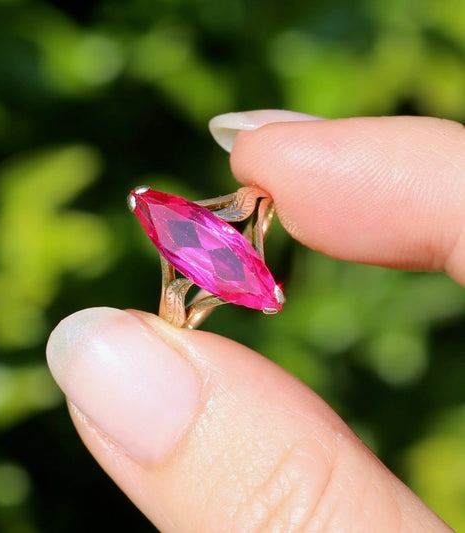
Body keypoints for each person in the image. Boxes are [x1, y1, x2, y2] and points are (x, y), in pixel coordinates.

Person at [46, 110, 462, 532]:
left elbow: (247, 209)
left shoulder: (192, 256)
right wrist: (255, 212)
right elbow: (249, 207)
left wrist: (253, 221)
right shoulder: (189, 247)